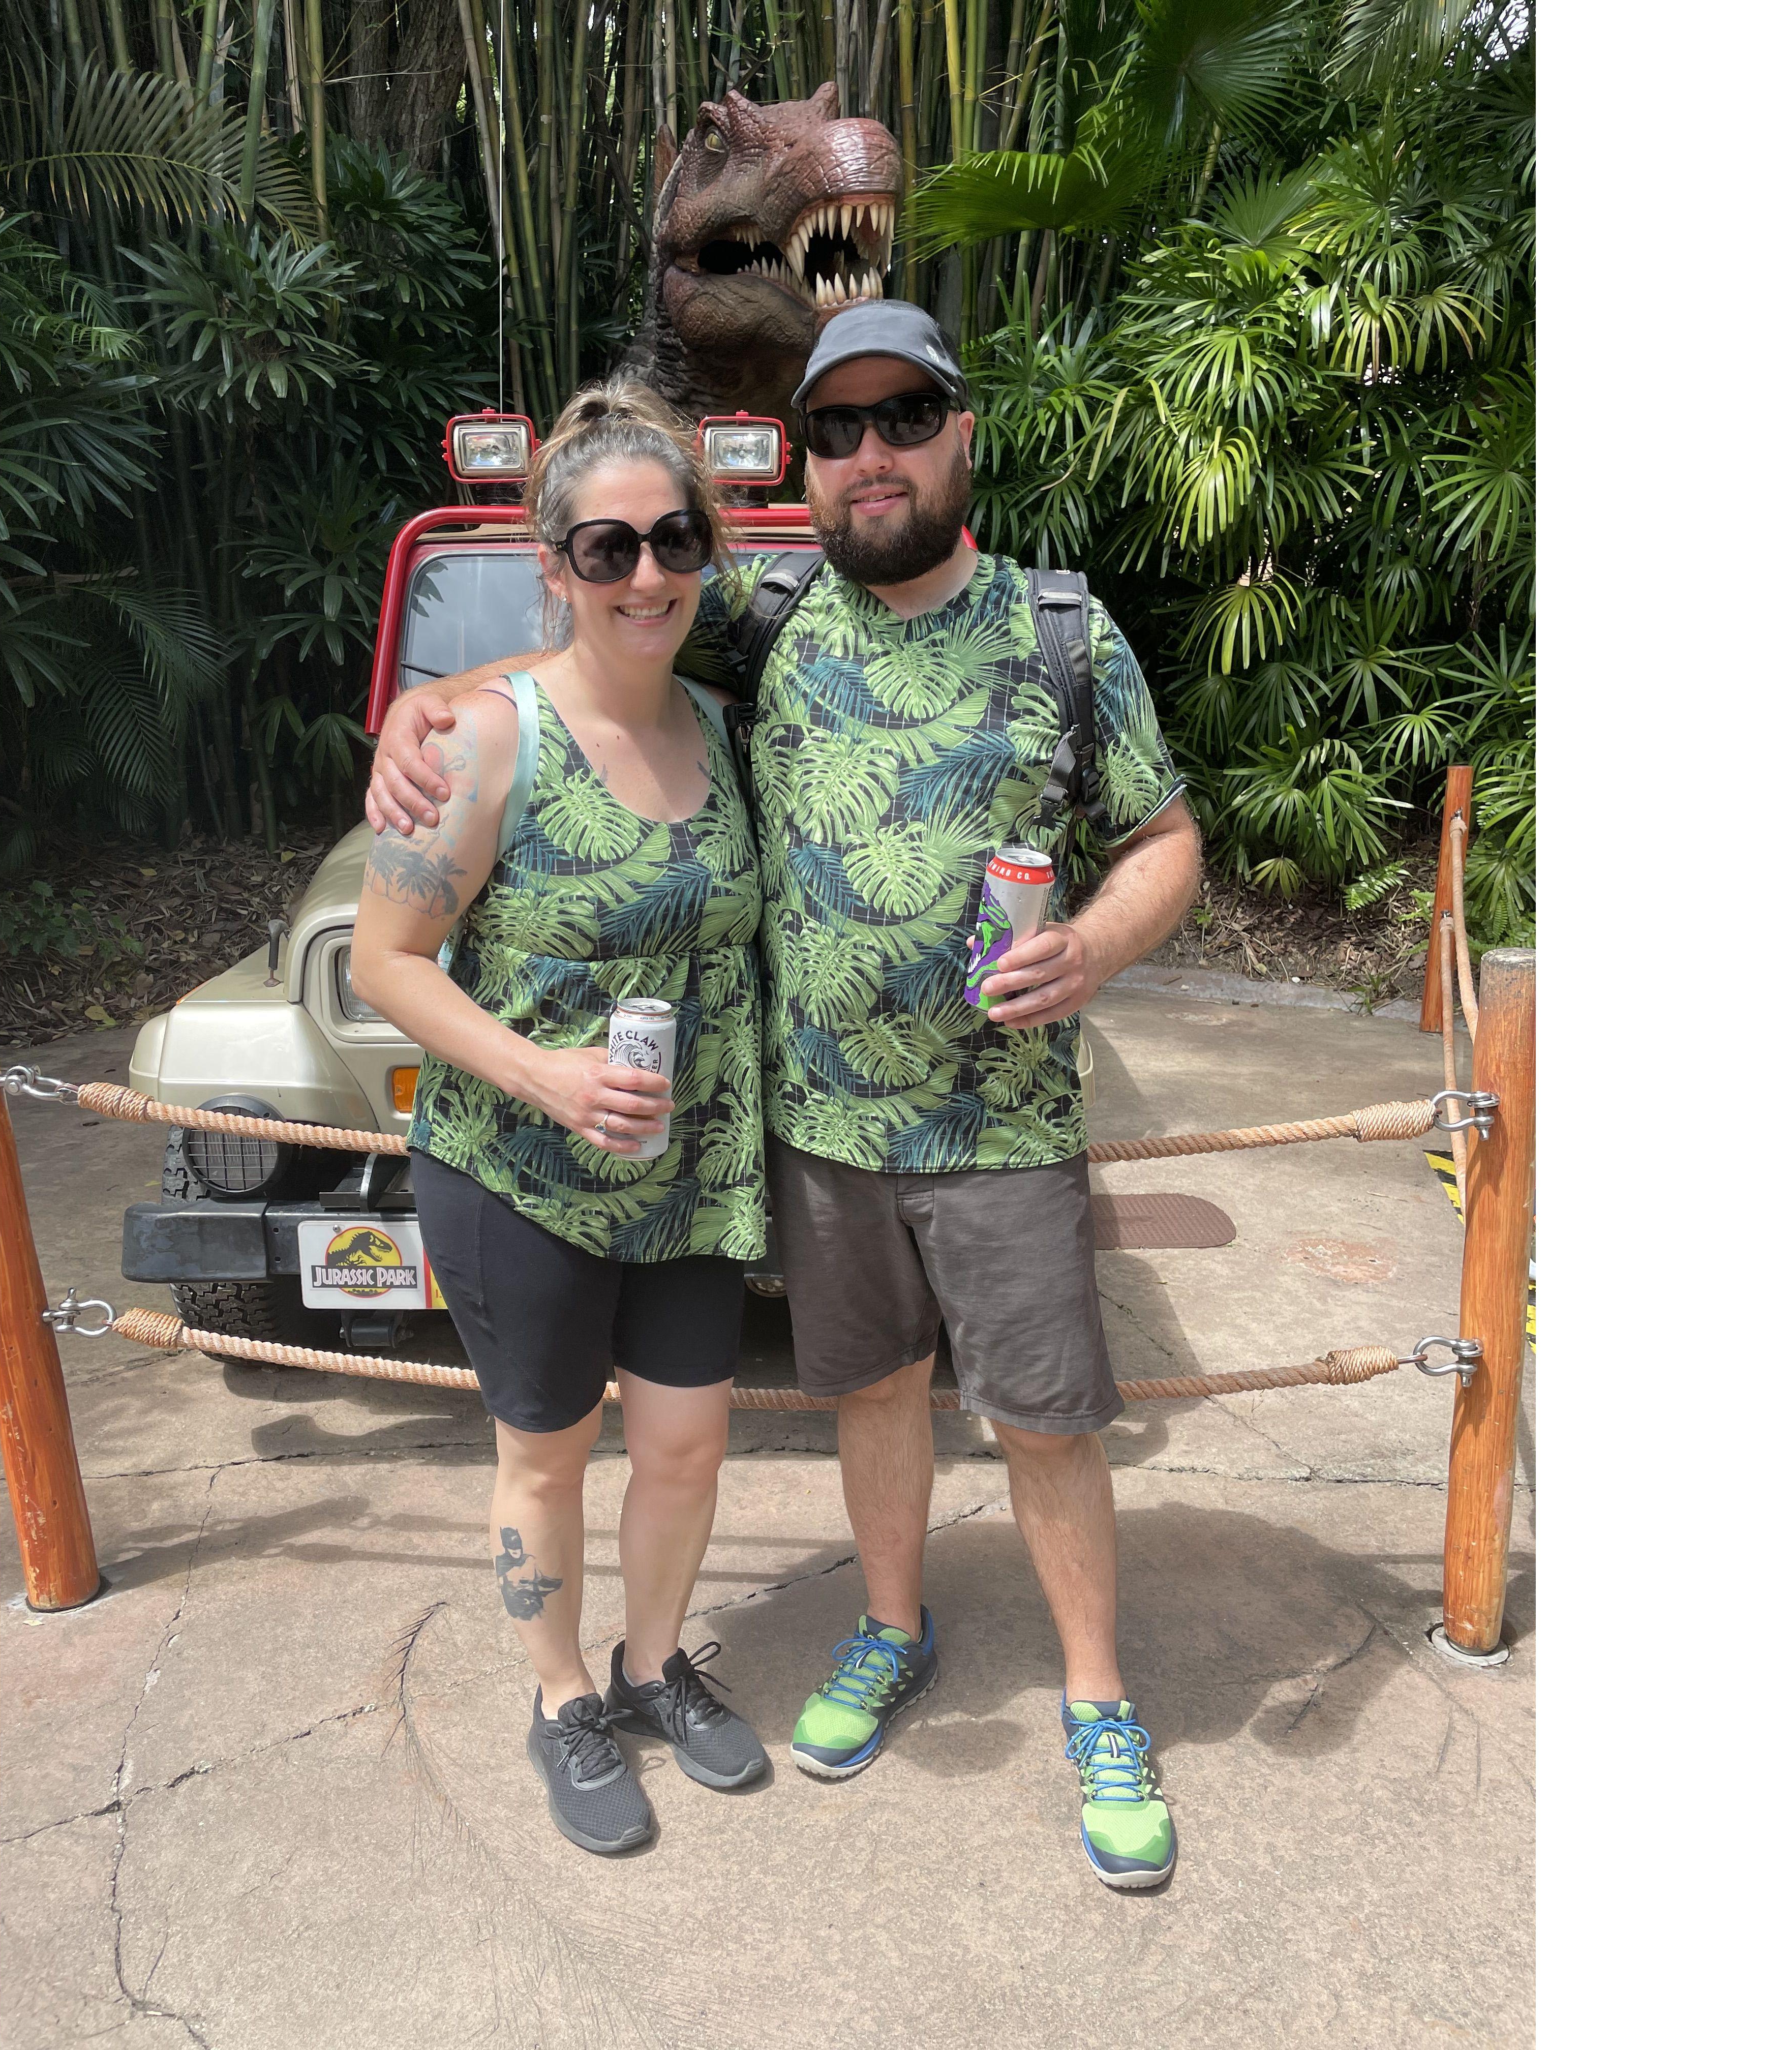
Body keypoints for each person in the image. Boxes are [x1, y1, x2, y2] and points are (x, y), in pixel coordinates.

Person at [368, 305, 1204, 1892]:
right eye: (838, 430)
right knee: (869, 1394)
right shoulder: (782, 620)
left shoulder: (1062, 635)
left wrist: (1092, 940)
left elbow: (1168, 839)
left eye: (905, 420)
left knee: (1043, 1420)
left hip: (1003, 1126)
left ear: (964, 434)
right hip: (814, 1133)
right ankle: (889, 1631)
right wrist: (425, 719)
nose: (871, 454)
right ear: (808, 464)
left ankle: (1098, 1698)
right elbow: (600, 630)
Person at [349, 376, 771, 1858]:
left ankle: (655, 1665)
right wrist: (544, 1075)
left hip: (692, 1162)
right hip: (520, 1163)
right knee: (547, 1455)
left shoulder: (733, 731)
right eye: (607, 550)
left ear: (704, 554)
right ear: (558, 566)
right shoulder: (482, 741)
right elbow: (381, 965)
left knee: (686, 1448)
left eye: (670, 544)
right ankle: (559, 1700)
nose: (644, 575)